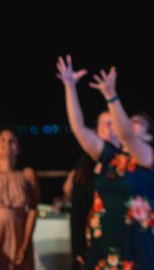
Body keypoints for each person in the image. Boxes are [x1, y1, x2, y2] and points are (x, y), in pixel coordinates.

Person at [56, 55, 154, 270]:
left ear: (149, 136)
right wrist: (70, 87)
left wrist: (111, 95)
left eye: (137, 123)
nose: (129, 124)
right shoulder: (110, 157)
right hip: (107, 246)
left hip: (143, 245)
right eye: (129, 121)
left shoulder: (147, 156)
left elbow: (127, 136)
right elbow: (79, 130)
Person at [62, 111, 118, 269]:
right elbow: (78, 212)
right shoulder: (84, 165)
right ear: (96, 131)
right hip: (93, 238)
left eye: (113, 122)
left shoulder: (127, 161)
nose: (110, 127)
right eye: (105, 123)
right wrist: (78, 249)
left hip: (120, 235)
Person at [0, 127, 40, 269]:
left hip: (19, 235)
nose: (7, 143)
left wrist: (24, 245)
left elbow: (33, 210)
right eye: (3, 140)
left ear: (18, 149)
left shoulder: (27, 175)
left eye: (12, 141)